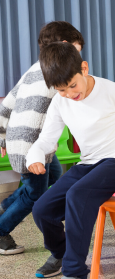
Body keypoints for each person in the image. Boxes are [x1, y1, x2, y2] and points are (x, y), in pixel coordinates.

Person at [26, 42, 115, 279]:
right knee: (42, 209)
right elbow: (46, 140)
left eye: (72, 85)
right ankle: (62, 254)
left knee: (78, 195)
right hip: (88, 163)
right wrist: (34, 156)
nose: (68, 93)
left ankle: (76, 278)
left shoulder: (112, 91)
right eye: (61, 89)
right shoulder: (60, 102)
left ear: (84, 68)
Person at [0, 21, 84, 255]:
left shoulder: (34, 69)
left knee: (54, 174)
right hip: (31, 144)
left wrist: (3, 137)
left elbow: (6, 104)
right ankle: (1, 231)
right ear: (65, 46)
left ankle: (4, 206)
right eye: (77, 51)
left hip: (22, 140)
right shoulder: (59, 70)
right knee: (35, 193)